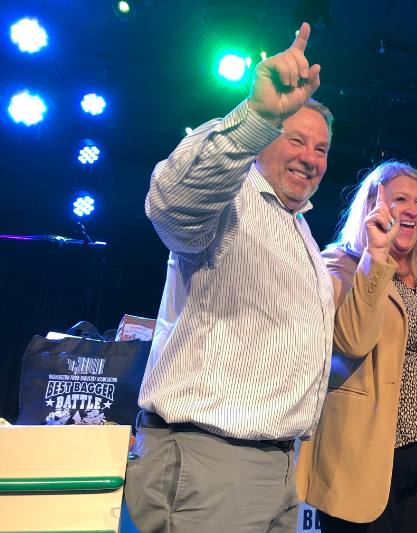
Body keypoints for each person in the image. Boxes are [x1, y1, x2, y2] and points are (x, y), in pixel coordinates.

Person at [124, 23, 334, 533]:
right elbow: (171, 203)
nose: (311, 157)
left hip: (280, 468)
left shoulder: (299, 229)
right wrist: (258, 116)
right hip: (209, 464)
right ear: (263, 141)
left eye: (323, 148)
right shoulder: (231, 196)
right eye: (295, 139)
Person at [296, 161, 417, 533]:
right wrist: (376, 256)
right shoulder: (340, 264)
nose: (412, 210)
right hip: (365, 457)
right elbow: (353, 339)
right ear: (374, 205)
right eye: (400, 198)